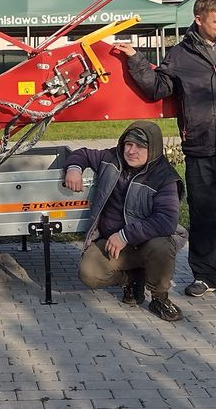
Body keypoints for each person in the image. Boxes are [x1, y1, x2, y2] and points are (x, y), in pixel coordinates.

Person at [120, 0, 216, 299]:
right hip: (200, 148)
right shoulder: (180, 54)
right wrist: (135, 60)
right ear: (199, 20)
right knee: (203, 214)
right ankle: (205, 275)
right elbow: (157, 88)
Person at [64, 120, 186, 322]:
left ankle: (159, 297)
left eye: (140, 146)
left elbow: (166, 221)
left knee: (162, 247)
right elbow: (82, 153)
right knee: (89, 273)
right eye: (128, 144)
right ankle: (133, 280)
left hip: (146, 242)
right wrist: (74, 168)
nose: (131, 151)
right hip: (113, 241)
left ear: (153, 148)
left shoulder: (165, 177)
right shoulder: (111, 158)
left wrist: (125, 235)